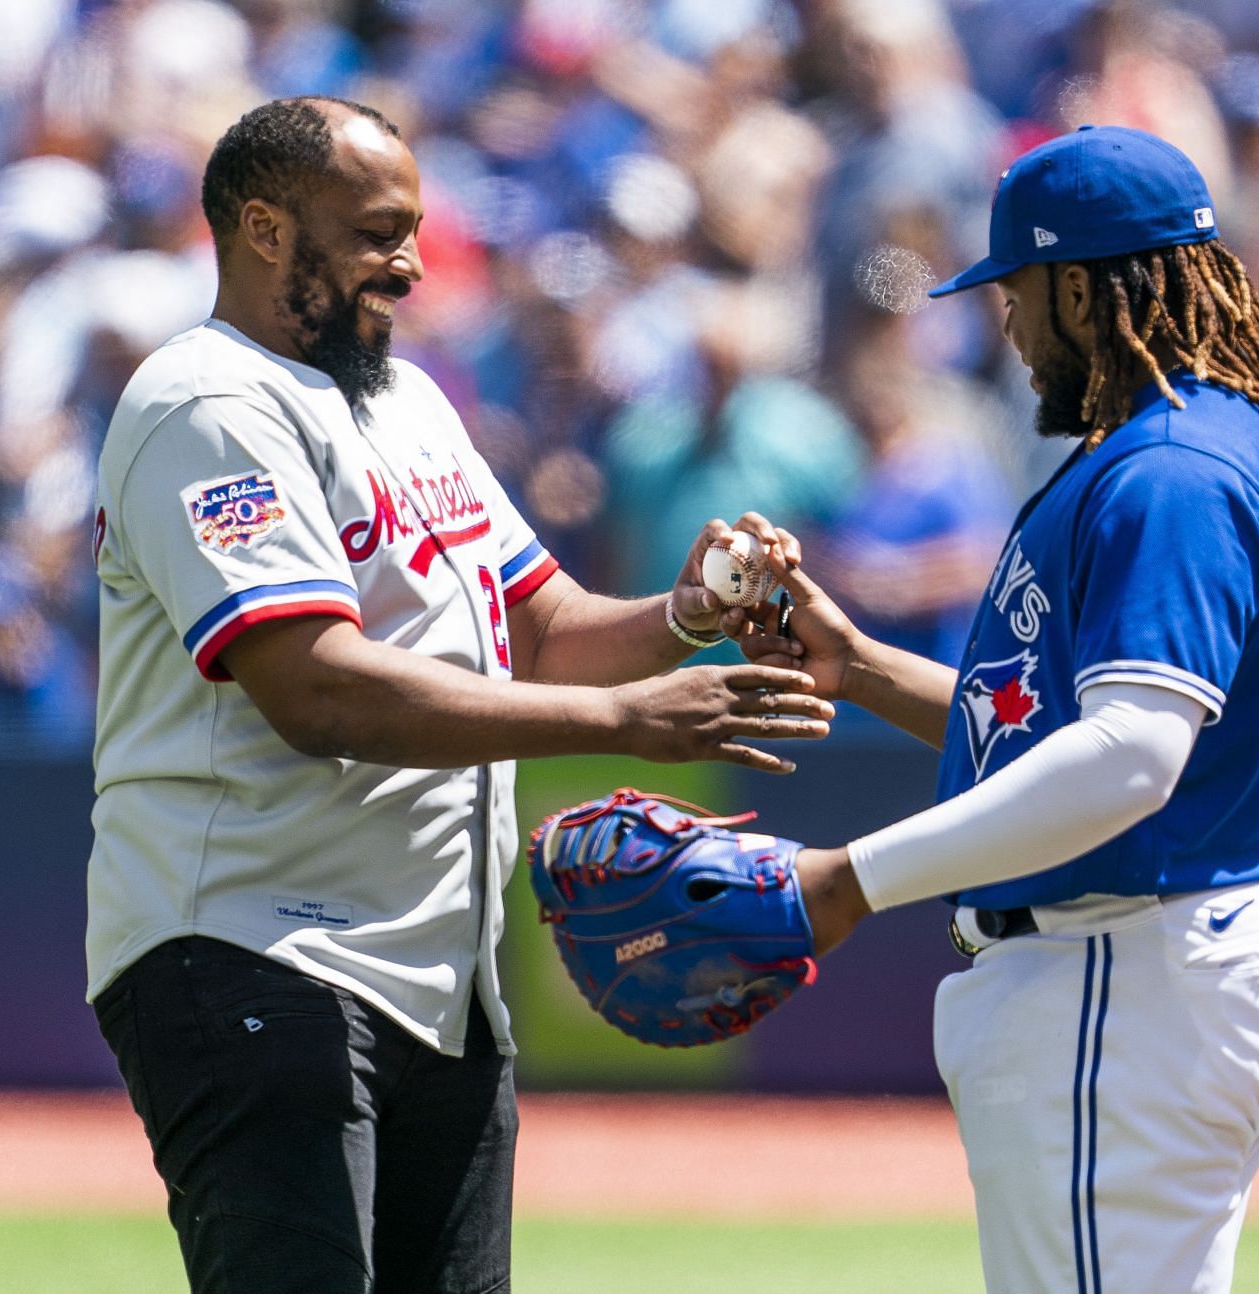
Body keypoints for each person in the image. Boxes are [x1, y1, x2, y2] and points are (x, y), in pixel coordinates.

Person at [85, 96, 832, 1294]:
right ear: (265, 227)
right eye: (380, 230)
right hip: (252, 946)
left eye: (416, 228)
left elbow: (538, 627)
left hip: (440, 974)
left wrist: (685, 614)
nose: (414, 262)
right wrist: (624, 724)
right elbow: (313, 687)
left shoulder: (408, 402)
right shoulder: (210, 402)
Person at [748, 125, 1259, 1293]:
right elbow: (1063, 731)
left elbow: (1128, 758)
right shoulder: (1194, 439)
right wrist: (861, 666)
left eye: (1014, 289)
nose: (1002, 323)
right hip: (1163, 949)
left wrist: (848, 877)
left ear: (1079, 283)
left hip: (1131, 956)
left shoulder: (1167, 471)